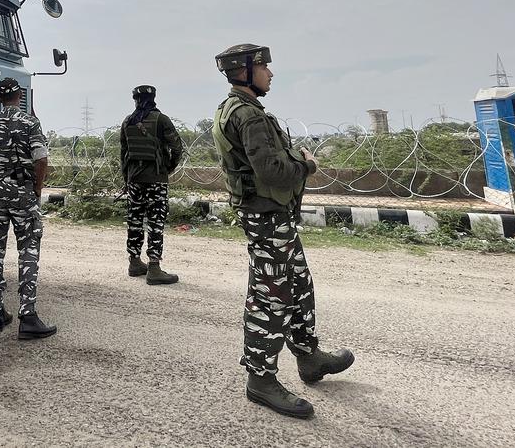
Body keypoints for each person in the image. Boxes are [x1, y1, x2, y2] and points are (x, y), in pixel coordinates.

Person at [212, 43, 354, 419]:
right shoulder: (248, 115)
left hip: (273, 215)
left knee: (299, 285)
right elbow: (272, 172)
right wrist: (306, 164)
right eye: (264, 67)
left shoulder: (242, 110)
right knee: (270, 294)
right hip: (267, 216)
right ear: (244, 71)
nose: (271, 73)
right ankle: (260, 378)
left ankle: (308, 356)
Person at [0, 78, 56, 339]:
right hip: (22, 192)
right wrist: (37, 188)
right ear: (20, 95)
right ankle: (28, 315)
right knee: (28, 249)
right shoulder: (30, 122)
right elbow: (41, 158)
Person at [119, 85, 184, 284]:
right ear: (153, 98)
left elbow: (124, 155)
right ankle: (154, 267)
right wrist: (167, 168)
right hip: (156, 179)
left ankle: (134, 262)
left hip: (134, 180)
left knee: (135, 220)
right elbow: (177, 149)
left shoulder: (128, 121)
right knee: (155, 222)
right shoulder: (161, 120)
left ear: (135, 100)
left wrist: (127, 179)